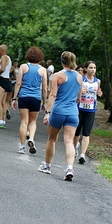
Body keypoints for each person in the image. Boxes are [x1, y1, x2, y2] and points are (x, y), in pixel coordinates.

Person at [39, 51, 83, 181]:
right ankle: (69, 168)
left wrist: (47, 112)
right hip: (73, 112)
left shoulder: (58, 76)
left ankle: (47, 166)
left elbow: (52, 95)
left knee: (52, 139)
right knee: (69, 141)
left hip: (58, 111)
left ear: (62, 61)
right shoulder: (80, 77)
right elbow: (79, 98)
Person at [11, 47, 48, 154]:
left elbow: (18, 84)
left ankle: (22, 147)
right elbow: (44, 88)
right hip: (36, 98)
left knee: (24, 122)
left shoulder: (23, 66)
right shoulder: (42, 70)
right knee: (33, 121)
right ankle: (31, 138)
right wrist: (44, 102)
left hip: (24, 97)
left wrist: (14, 98)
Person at [73, 61, 103, 164]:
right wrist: (81, 93)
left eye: (94, 68)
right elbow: (75, 91)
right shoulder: (81, 79)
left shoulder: (97, 81)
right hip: (79, 108)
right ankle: (74, 147)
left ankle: (82, 155)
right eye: (90, 67)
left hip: (91, 110)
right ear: (86, 69)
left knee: (86, 132)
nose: (93, 70)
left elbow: (99, 92)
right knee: (77, 131)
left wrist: (100, 93)